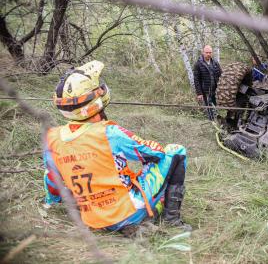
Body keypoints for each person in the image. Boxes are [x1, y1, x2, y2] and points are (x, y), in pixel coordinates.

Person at [43, 60, 191, 235]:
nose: (101, 89)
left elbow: (51, 177)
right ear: (93, 100)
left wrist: (52, 202)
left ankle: (138, 216)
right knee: (176, 151)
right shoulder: (110, 132)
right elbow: (154, 153)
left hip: (92, 218)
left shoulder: (51, 137)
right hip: (129, 212)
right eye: (98, 88)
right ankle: (172, 219)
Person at [193, 45, 222, 120]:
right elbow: (196, 80)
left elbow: (221, 75)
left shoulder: (215, 63)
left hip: (215, 89)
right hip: (205, 90)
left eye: (210, 52)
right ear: (203, 52)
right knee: (209, 107)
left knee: (216, 106)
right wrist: (199, 93)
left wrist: (221, 88)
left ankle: (217, 120)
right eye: (207, 52)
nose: (208, 54)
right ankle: (212, 121)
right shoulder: (198, 64)